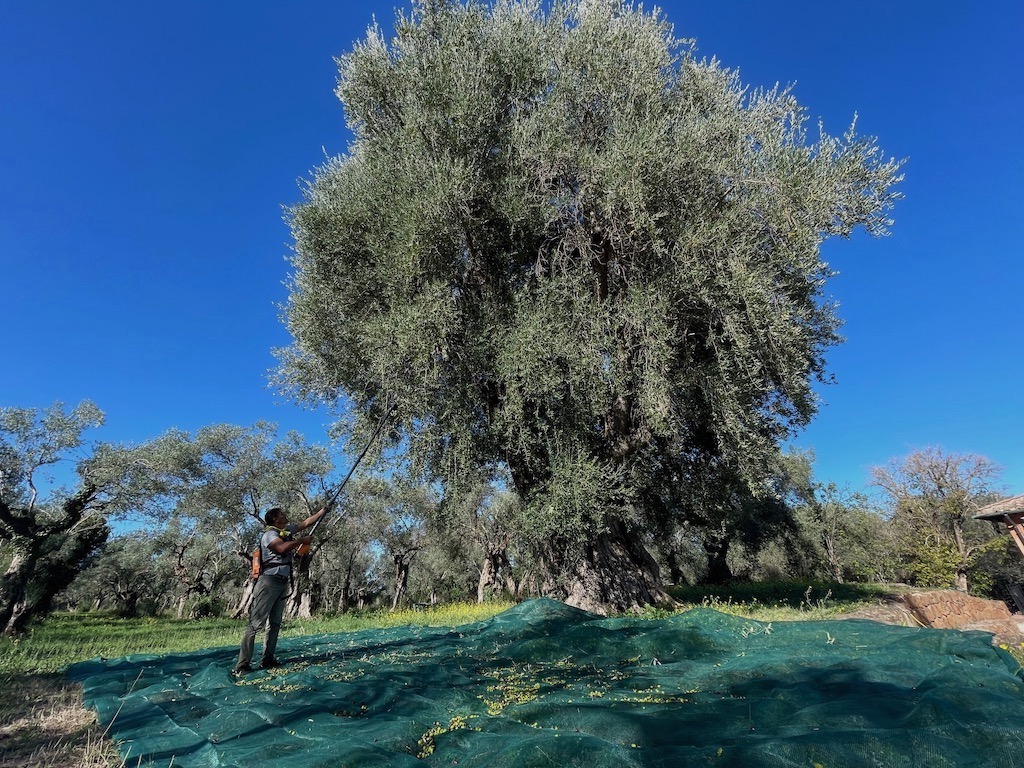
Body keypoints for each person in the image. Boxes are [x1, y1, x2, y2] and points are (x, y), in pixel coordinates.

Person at [233, 505, 328, 675]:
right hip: (268, 582)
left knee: (275, 623)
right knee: (256, 624)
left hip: (282, 582)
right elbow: (281, 548)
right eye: (282, 514)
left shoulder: (286, 531)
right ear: (275, 519)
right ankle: (242, 665)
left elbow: (305, 523)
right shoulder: (270, 534)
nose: (286, 515)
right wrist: (302, 541)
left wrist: (323, 511)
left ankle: (267, 659)